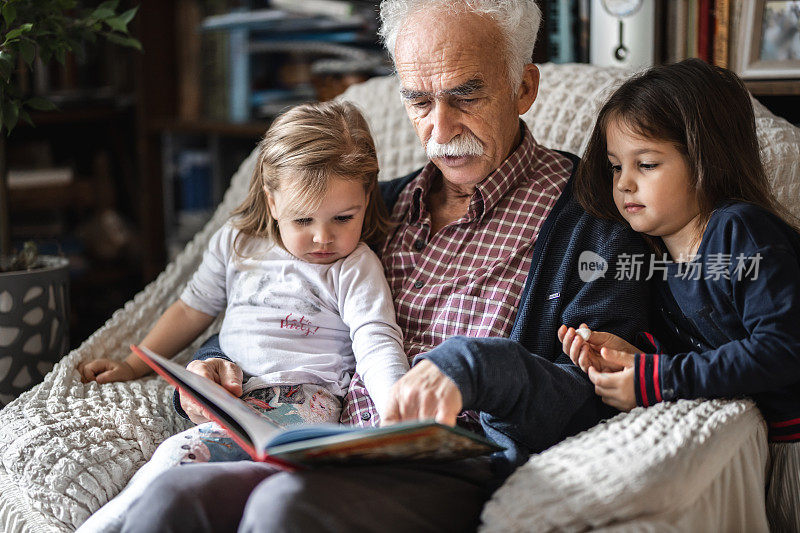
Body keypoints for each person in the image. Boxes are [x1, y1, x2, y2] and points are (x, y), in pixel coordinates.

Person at [118, 1, 651, 531]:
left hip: (453, 466)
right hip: (318, 442)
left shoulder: (597, 221)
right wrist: (211, 371)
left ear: (524, 88)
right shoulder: (366, 211)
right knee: (173, 497)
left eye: (466, 94)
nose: (440, 127)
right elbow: (272, 300)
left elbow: (597, 398)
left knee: (284, 508)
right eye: (419, 100)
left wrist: (476, 370)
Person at [79, 99, 409, 457]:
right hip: (228, 388)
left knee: (195, 458)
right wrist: (133, 364)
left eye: (343, 218)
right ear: (272, 202)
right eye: (302, 220)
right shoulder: (237, 242)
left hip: (303, 398)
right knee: (178, 458)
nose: (322, 237)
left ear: (367, 196)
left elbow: (375, 340)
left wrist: (397, 407)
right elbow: (192, 309)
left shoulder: (356, 267)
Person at [559, 58, 800, 531]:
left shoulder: (739, 232)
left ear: (707, 157)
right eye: (614, 167)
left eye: (646, 164)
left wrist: (657, 378)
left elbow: (783, 348)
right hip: (760, 455)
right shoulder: (656, 263)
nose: (624, 183)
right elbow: (703, 353)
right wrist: (634, 358)